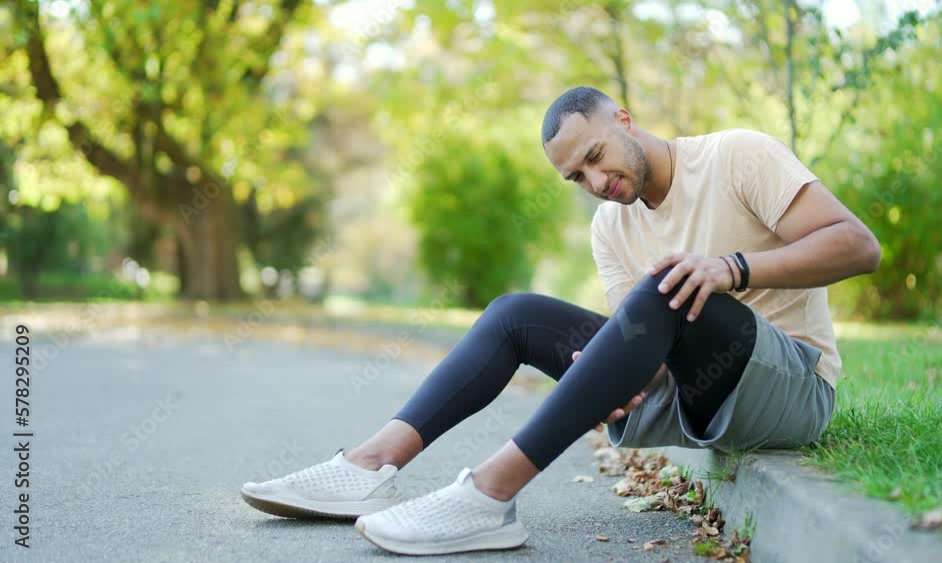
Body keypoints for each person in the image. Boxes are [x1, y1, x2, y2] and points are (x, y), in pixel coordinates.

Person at [240, 86, 881, 556]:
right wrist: (610, 369)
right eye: (577, 176)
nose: (597, 181)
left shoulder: (736, 157)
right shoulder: (611, 227)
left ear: (624, 119)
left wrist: (730, 268)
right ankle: (370, 466)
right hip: (696, 395)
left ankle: (491, 494)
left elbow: (858, 245)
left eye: (598, 157)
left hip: (790, 386)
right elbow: (656, 342)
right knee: (514, 315)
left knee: (670, 280)